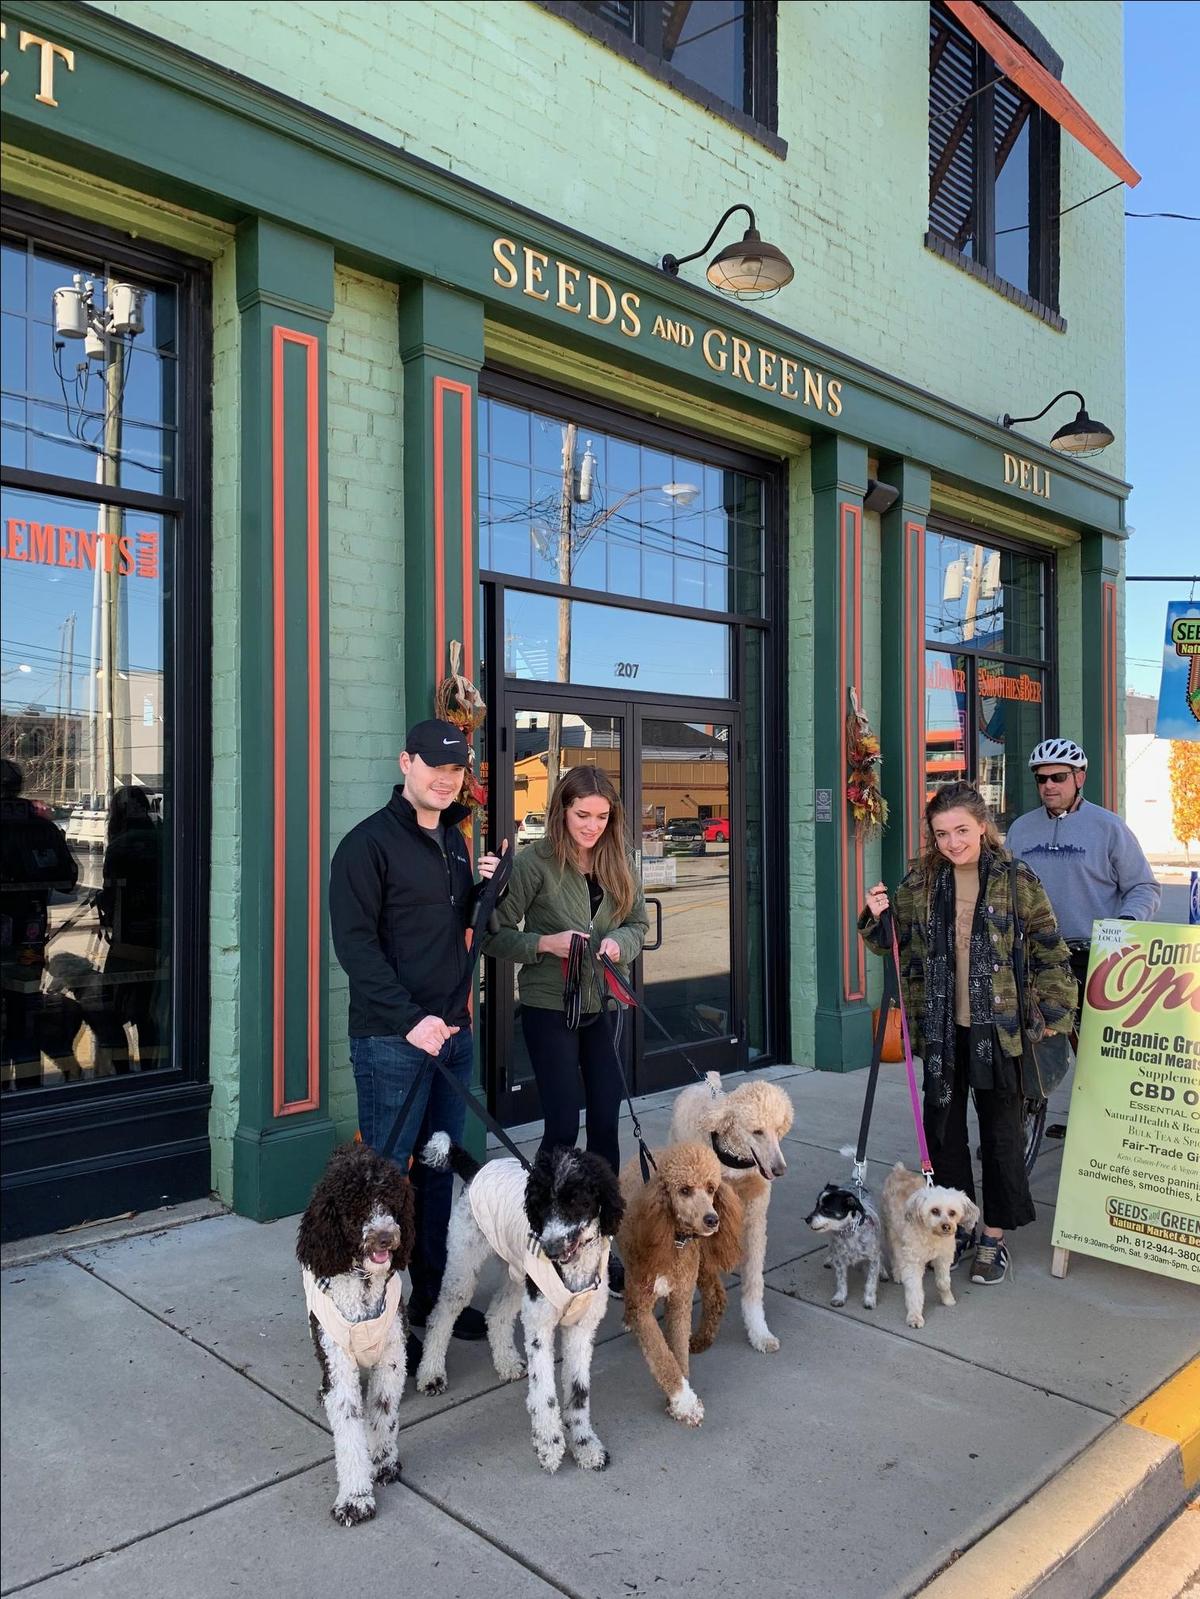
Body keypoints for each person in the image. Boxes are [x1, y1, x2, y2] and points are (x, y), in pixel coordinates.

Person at [859, 781, 1076, 1286]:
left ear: (983, 825)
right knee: (944, 1135)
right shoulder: (920, 882)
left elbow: (1049, 951)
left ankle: (993, 1237)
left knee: (1001, 1137)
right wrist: (875, 919)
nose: (953, 842)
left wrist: (1052, 1022)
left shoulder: (1016, 879)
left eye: (961, 830)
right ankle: (953, 1232)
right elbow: (892, 944)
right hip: (940, 1030)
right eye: (942, 834)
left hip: (1000, 1031)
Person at [329, 719, 502, 1349]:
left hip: (451, 1035)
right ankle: (373, 1309)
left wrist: (485, 886)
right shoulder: (366, 845)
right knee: (384, 1180)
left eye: (456, 770)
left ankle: (430, 1298)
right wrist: (412, 1021)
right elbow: (355, 946)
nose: (445, 778)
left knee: (435, 1171)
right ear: (406, 762)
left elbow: (451, 925)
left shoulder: (454, 841)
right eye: (434, 766)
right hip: (392, 1041)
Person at [485, 765, 649, 1293]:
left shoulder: (617, 861)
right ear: (562, 810)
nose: (592, 826)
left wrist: (618, 943)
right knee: (561, 1123)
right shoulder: (535, 863)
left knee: (605, 1121)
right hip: (549, 1005)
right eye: (582, 815)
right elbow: (495, 935)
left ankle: (603, 1241)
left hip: (603, 1003)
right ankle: (542, 1231)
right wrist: (546, 944)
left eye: (602, 816)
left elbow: (639, 925)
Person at [1004, 739, 1161, 1015]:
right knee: (1045, 1052)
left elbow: (1144, 887)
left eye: (1058, 777)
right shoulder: (1021, 829)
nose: (1048, 785)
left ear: (1079, 778)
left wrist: (1126, 924)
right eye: (1041, 778)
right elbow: (1005, 888)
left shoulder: (1109, 827)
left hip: (1096, 958)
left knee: (1094, 1051)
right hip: (1037, 958)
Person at [1, 758, 78, 1088]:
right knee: (25, 1009)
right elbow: (67, 879)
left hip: (26, 937)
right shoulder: (40, 824)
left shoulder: (39, 823)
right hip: (29, 938)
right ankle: (29, 1089)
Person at [97, 785, 165, 1074]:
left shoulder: (120, 845)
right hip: (159, 937)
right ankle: (152, 1070)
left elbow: (112, 893)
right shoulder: (162, 839)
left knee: (108, 1011)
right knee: (147, 1012)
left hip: (129, 939)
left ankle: (123, 1073)